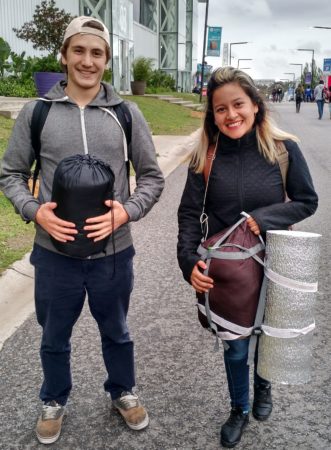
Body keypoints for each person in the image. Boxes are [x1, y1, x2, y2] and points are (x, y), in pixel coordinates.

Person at [0, 16, 164, 444]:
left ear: (107, 60)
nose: (87, 61)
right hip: (54, 255)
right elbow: (10, 174)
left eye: (96, 53)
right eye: (79, 51)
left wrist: (126, 212)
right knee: (54, 334)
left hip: (114, 254)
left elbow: (151, 177)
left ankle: (122, 391)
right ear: (64, 55)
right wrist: (35, 211)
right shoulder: (39, 113)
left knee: (117, 330)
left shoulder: (126, 114)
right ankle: (54, 398)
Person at [177, 67, 318, 448]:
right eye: (219, 109)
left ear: (255, 105)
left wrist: (264, 218)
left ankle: (264, 386)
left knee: (268, 334)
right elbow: (189, 214)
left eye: (238, 104)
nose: (230, 115)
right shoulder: (205, 154)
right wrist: (188, 261)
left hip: (276, 262)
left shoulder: (283, 149)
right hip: (227, 268)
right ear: (212, 114)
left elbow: (307, 201)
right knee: (236, 344)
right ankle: (239, 407)